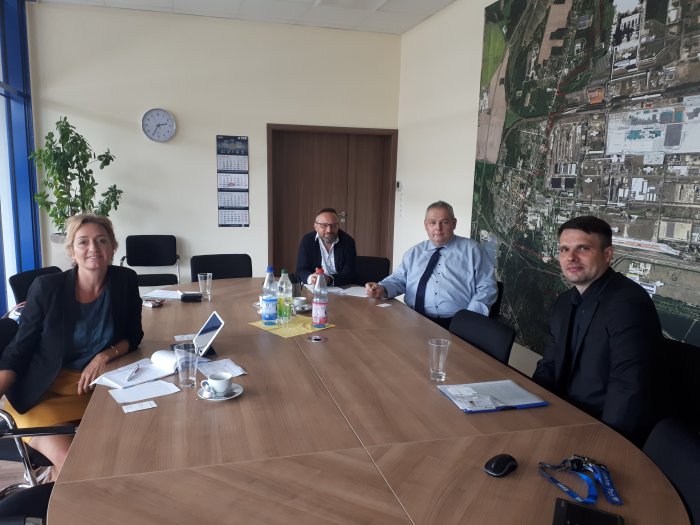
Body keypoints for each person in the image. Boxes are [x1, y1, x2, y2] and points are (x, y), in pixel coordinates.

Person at [0, 214, 143, 480]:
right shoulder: (47, 288)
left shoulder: (124, 280)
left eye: (101, 240)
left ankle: (51, 484)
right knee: (73, 464)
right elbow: (19, 349)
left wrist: (104, 356)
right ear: (71, 250)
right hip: (41, 395)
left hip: (94, 390)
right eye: (83, 242)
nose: (93, 248)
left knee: (126, 448)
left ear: (113, 246)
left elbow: (134, 335)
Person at [532, 216, 662, 446]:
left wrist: (602, 444)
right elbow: (549, 365)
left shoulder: (628, 304)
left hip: (600, 430)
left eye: (583, 248)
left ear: (608, 254)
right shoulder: (564, 302)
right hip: (561, 417)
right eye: (564, 249)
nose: (571, 257)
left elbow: (628, 388)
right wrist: (532, 406)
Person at [365, 201, 497, 329]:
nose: (438, 228)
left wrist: (470, 319)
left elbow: (487, 287)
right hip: (412, 319)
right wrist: (383, 288)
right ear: (425, 225)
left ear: (454, 223)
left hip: (456, 324)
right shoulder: (414, 252)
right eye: (432, 222)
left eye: (444, 222)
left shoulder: (473, 250)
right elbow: (399, 279)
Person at [296, 207, 357, 286]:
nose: (329, 230)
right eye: (324, 225)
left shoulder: (348, 242)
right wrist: (312, 278)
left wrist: (330, 279)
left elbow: (350, 273)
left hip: (340, 287)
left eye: (333, 225)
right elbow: (300, 270)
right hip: (315, 288)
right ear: (316, 226)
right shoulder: (307, 240)